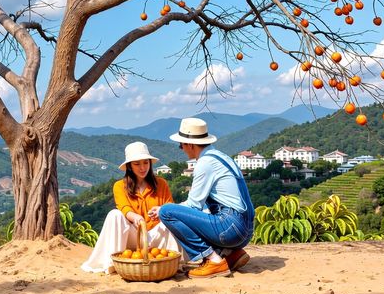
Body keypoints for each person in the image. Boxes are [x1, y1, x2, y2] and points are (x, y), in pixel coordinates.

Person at [158, 117, 254, 279]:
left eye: (181, 144)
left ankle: (213, 260)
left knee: (167, 212)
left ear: (189, 144)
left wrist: (162, 208)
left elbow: (193, 206)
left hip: (231, 228)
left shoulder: (205, 163)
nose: (181, 148)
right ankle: (230, 253)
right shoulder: (221, 157)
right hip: (246, 230)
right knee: (205, 212)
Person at [81, 141, 181, 273]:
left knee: (171, 218)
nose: (142, 168)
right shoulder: (119, 186)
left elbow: (169, 207)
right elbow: (124, 208)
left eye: (146, 162)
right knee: (114, 214)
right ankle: (112, 263)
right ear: (129, 166)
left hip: (157, 236)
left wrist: (161, 211)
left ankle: (173, 263)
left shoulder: (161, 183)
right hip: (133, 236)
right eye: (137, 164)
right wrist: (135, 218)